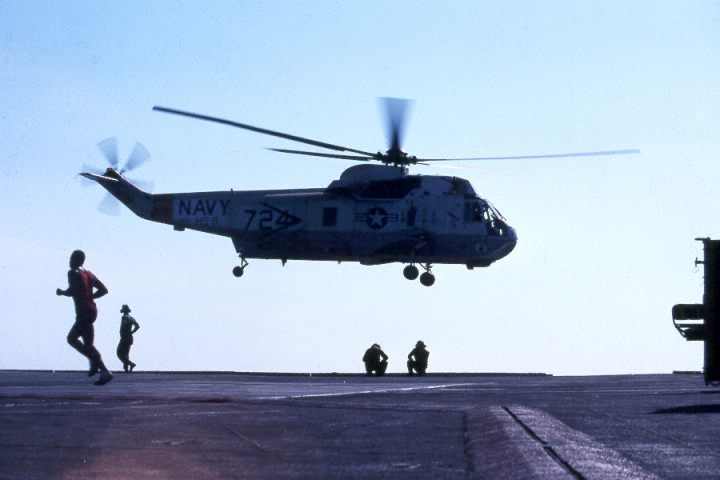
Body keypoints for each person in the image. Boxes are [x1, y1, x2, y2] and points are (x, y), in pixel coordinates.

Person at [56, 249, 113, 386]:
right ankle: (98, 366)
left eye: (71, 258)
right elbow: (104, 290)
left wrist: (62, 292)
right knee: (88, 344)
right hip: (92, 310)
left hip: (83, 311)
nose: (69, 261)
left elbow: (73, 290)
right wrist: (90, 296)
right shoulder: (88, 274)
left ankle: (103, 370)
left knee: (72, 339)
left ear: (76, 260)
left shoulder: (73, 273)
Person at [117, 304, 140, 372]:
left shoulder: (125, 317)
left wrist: (129, 332)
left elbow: (126, 326)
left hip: (125, 337)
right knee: (125, 353)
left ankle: (131, 364)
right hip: (128, 337)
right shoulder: (131, 317)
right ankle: (126, 368)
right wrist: (131, 332)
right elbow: (137, 326)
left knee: (119, 353)